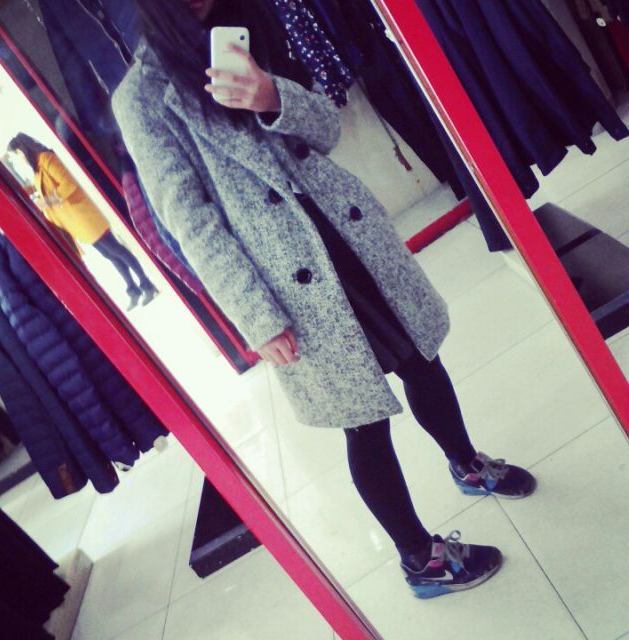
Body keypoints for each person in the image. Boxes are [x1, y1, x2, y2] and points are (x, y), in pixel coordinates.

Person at [113, 0, 537, 599]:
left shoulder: (247, 26)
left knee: (424, 359)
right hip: (289, 281)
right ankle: (420, 559)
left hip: (349, 233)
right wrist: (256, 316)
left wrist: (272, 97)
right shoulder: (140, 96)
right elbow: (190, 221)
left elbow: (327, 131)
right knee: (363, 421)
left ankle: (467, 463)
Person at [7, 133, 158, 311]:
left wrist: (46, 201)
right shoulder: (37, 169)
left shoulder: (46, 159)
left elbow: (68, 184)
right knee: (110, 255)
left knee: (117, 250)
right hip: (77, 222)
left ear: (21, 152)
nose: (16, 162)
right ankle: (133, 289)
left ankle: (146, 284)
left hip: (85, 216)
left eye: (15, 157)